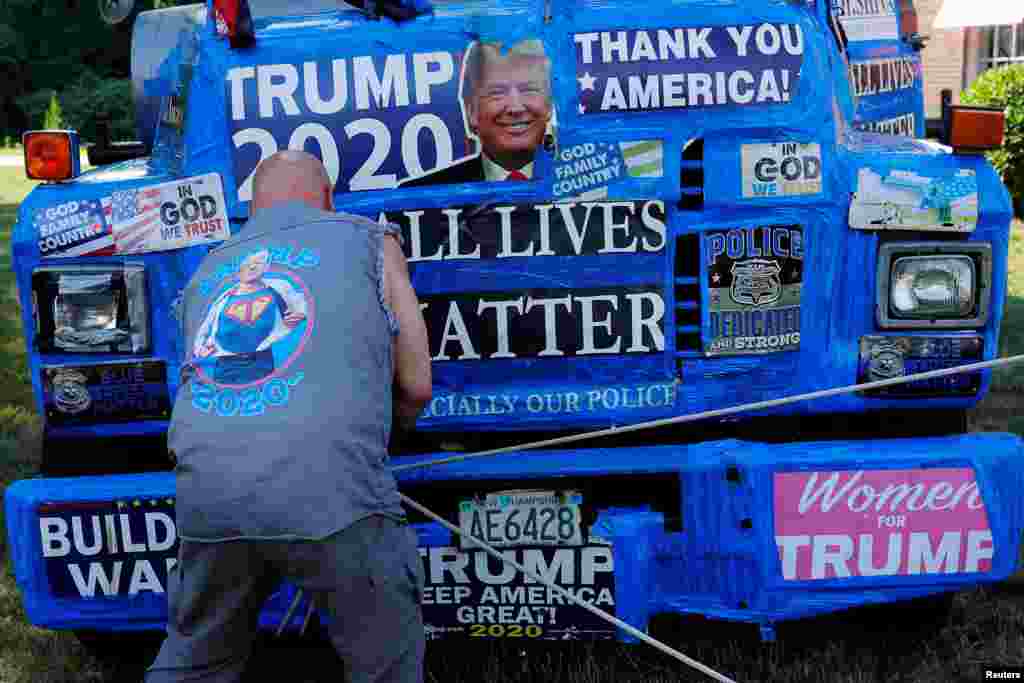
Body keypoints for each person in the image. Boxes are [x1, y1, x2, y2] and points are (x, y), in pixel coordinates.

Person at [146, 150, 432, 683]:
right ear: (327, 200)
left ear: (252, 209)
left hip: (207, 493)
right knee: (386, 662)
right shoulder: (369, 238)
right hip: (334, 493)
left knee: (196, 661)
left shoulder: (209, 267)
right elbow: (416, 383)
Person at [400, 39, 553, 187]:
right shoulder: (414, 202)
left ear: (549, 104)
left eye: (529, 90)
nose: (516, 108)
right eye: (497, 93)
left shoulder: (576, 185)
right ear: (471, 111)